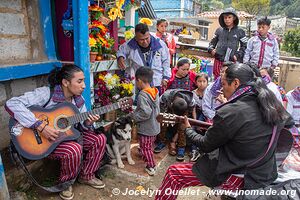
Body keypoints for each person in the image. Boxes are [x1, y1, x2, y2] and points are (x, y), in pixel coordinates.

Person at [155, 63, 293, 200]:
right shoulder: (269, 102)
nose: (222, 88)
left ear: (236, 83)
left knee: (174, 174)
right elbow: (287, 124)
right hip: (265, 171)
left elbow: (205, 145)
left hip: (241, 175)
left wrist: (188, 130)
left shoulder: (231, 111)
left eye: (224, 84)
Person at [5, 65, 107, 200]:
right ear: (65, 82)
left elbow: (81, 127)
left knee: (99, 138)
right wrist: (39, 125)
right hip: (43, 142)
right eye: (79, 81)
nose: (83, 85)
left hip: (63, 138)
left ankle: (86, 176)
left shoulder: (78, 101)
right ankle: (65, 184)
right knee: (74, 148)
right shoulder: (46, 93)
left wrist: (88, 122)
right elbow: (11, 103)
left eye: (84, 81)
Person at [117, 23, 171, 93]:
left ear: (149, 35)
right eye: (141, 40)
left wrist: (166, 77)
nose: (145, 42)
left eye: (147, 38)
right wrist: (120, 57)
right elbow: (120, 51)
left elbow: (166, 62)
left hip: (157, 83)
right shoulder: (130, 45)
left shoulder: (160, 44)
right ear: (136, 38)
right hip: (140, 85)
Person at [129, 67, 160, 176]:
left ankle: (151, 166)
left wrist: (134, 116)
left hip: (147, 128)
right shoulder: (154, 91)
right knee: (148, 145)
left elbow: (146, 112)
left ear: (139, 80)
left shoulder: (142, 94)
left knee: (146, 147)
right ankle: (144, 153)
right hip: (155, 126)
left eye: (135, 81)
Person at [154, 89, 196, 161]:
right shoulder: (165, 97)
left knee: (183, 127)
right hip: (167, 108)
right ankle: (162, 141)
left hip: (184, 110)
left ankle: (181, 147)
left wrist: (194, 122)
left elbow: (193, 111)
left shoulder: (191, 101)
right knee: (163, 123)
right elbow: (159, 111)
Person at [208, 7, 247, 79]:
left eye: (229, 17)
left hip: (231, 61)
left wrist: (237, 55)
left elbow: (244, 46)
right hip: (218, 60)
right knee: (217, 79)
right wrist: (211, 49)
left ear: (234, 18)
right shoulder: (219, 30)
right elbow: (212, 43)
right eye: (225, 17)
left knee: (230, 79)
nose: (227, 19)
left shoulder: (240, 31)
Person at [190, 73, 209, 162]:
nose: (202, 83)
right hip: (197, 112)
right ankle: (194, 150)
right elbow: (193, 109)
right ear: (196, 82)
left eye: (204, 81)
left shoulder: (209, 92)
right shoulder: (193, 93)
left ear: (207, 82)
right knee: (194, 126)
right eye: (199, 81)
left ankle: (201, 149)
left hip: (207, 113)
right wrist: (195, 121)